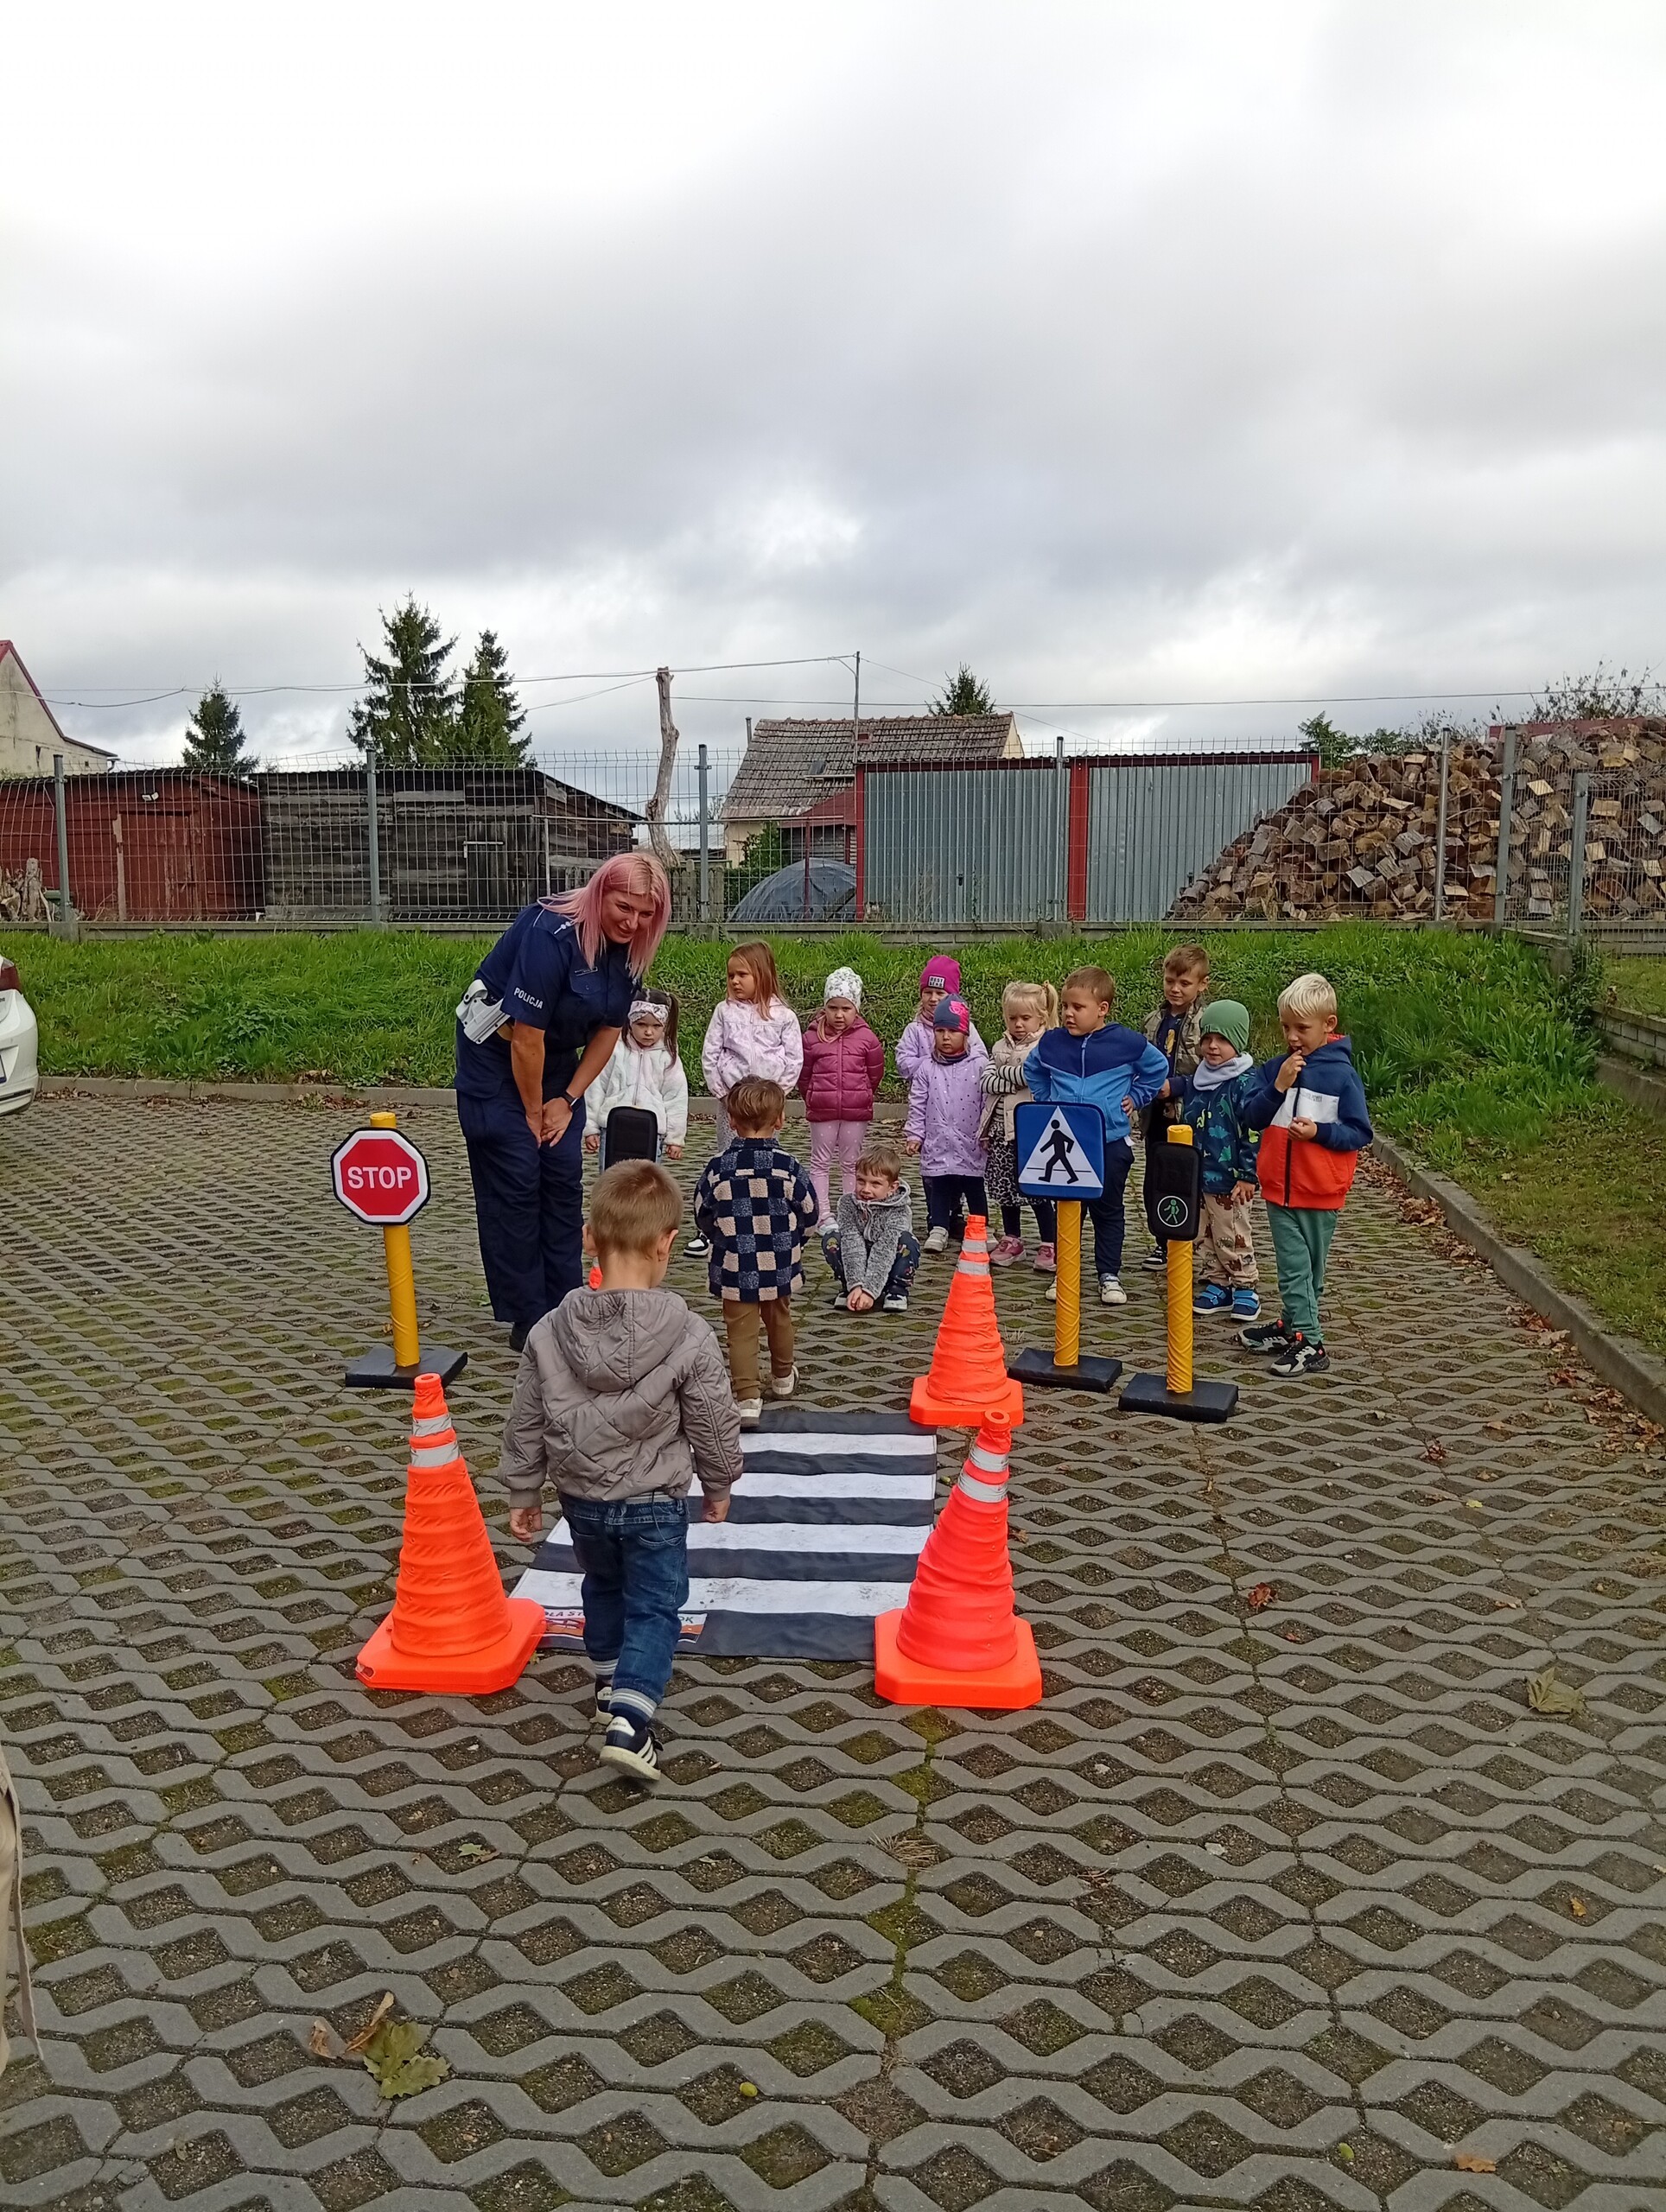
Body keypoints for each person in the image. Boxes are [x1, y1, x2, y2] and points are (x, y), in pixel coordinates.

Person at [499, 1160, 742, 1785]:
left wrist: (524, 1489)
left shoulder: (549, 1330)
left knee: (603, 1586)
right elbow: (713, 1419)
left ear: (589, 1237)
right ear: (666, 1244)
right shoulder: (688, 1334)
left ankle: (610, 1683)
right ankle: (631, 1722)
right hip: (655, 1501)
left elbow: (526, 1416)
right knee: (656, 1607)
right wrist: (719, 1483)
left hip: (581, 1500)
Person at [455, 854, 671, 1349]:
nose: (632, 922)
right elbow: (525, 1038)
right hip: (496, 1057)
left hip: (554, 1062)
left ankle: (565, 1302)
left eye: (645, 914)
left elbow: (609, 1030)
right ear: (599, 893)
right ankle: (528, 1315)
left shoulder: (630, 951)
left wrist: (569, 1099)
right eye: (623, 907)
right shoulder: (549, 933)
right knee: (518, 1175)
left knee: (562, 1175)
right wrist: (534, 1112)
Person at [1233, 972, 1373, 1378]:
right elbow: (1251, 1116)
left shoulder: (1342, 1076)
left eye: (1302, 1028)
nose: (1292, 1037)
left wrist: (1319, 1133)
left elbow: (1359, 1133)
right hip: (1280, 1190)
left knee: (1311, 1271)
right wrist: (1278, 1087)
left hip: (1322, 1190)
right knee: (1294, 1269)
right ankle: (1305, 1336)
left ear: (1328, 1025)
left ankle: (1301, 1335)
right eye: (1285, 1027)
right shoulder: (1275, 1069)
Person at [1024, 964, 1170, 1306]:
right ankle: (1066, 1275)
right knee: (1068, 1211)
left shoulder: (1127, 1042)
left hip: (1110, 1143)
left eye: (1078, 1007)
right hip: (1065, 1145)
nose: (1069, 1014)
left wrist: (1136, 1097)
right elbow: (1033, 1069)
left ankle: (1109, 1275)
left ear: (1102, 1009)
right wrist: (1047, 1101)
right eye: (1065, 1006)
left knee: (1108, 1210)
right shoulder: (1052, 1042)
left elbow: (1157, 1068)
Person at [693, 1076, 819, 1424]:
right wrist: (796, 1242)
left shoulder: (718, 1167)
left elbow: (702, 1213)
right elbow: (810, 1213)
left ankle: (747, 1397)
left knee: (740, 1330)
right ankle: (783, 1377)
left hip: (735, 1264)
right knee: (780, 1318)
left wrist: (719, 1237)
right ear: (780, 1120)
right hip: (779, 1262)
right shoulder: (789, 1167)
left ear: (731, 1121)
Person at [690, 941, 803, 1257]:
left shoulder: (784, 1016)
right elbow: (711, 1054)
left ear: (762, 975)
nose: (735, 981)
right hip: (733, 1102)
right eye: (731, 976)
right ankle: (716, 1222)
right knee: (728, 1159)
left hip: (766, 1106)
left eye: (742, 975)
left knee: (766, 1159)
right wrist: (723, 1094)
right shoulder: (724, 1012)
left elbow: (794, 1059)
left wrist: (777, 1096)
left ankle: (765, 1217)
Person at [1180, 1000, 1262, 1325]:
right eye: (1207, 1039)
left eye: (1223, 1040)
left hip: (1230, 1179)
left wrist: (1248, 1174)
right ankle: (1218, 1281)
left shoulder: (1245, 1083)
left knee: (1232, 1233)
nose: (1213, 1047)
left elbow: (1253, 1132)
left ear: (1238, 1042)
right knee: (1203, 1233)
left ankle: (1245, 1285)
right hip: (1198, 1175)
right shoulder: (1199, 1079)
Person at [979, 979, 1060, 1269]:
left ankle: (1050, 1242)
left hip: (1031, 1131)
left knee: (1036, 1189)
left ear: (1041, 1017)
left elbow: (1031, 1076)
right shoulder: (1000, 1045)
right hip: (1002, 1128)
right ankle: (1012, 1238)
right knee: (1005, 1188)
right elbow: (986, 1080)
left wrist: (1005, 1074)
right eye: (1012, 1018)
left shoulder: (1047, 1046)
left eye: (1025, 1018)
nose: (1018, 1024)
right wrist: (1010, 1077)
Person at [1141, 944, 1211, 1270]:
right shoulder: (1153, 1020)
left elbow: (1214, 1071)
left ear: (1202, 985)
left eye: (1184, 983)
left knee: (1187, 1179)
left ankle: (1192, 1242)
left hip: (1190, 1114)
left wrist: (1178, 1086)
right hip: (1155, 1114)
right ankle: (1162, 1242)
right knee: (1156, 1178)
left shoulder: (1206, 1023)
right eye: (1170, 981)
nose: (1176, 989)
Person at [902, 995, 989, 1252]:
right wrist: (915, 1135)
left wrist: (987, 1133)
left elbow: (987, 1103)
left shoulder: (980, 1066)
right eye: (940, 1031)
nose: (946, 1037)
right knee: (939, 1184)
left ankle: (980, 1228)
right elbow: (917, 1103)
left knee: (973, 1186)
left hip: (970, 1141)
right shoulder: (927, 1068)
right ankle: (938, 1227)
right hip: (938, 1140)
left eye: (953, 1031)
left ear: (966, 1034)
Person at [798, 963, 886, 1220]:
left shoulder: (867, 1039)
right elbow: (804, 1074)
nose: (839, 1015)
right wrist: (812, 1096)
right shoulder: (812, 1038)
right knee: (820, 1161)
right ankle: (822, 1214)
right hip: (822, 1109)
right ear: (824, 1007)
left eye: (846, 1009)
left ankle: (851, 1211)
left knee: (852, 1162)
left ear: (856, 1009)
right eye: (833, 1008)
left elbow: (875, 1073)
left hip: (855, 1112)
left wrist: (862, 1094)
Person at [583, 987, 688, 1161]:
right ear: (629, 1021)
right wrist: (590, 1128)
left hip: (651, 1132)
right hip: (613, 1129)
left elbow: (676, 1097)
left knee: (646, 1177)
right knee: (613, 1175)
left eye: (656, 1026)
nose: (648, 1032)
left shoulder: (668, 1056)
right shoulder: (614, 1049)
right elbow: (596, 1087)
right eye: (641, 1024)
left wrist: (675, 1138)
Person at [825, 1139, 919, 1313]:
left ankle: (896, 1289)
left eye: (875, 1184)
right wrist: (856, 1285)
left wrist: (870, 1291)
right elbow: (851, 1241)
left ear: (892, 1187)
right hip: (857, 1261)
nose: (866, 1189)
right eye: (861, 1181)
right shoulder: (847, 1204)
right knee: (832, 1238)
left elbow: (885, 1249)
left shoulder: (899, 1210)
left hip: (888, 1259)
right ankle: (849, 1288)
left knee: (907, 1242)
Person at [896, 954, 984, 1083]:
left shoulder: (965, 1027)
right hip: (925, 1092)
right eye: (928, 992)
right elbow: (903, 1064)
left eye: (940, 993)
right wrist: (934, 1063)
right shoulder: (915, 1029)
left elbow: (981, 1057)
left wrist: (958, 1062)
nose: (933, 998)